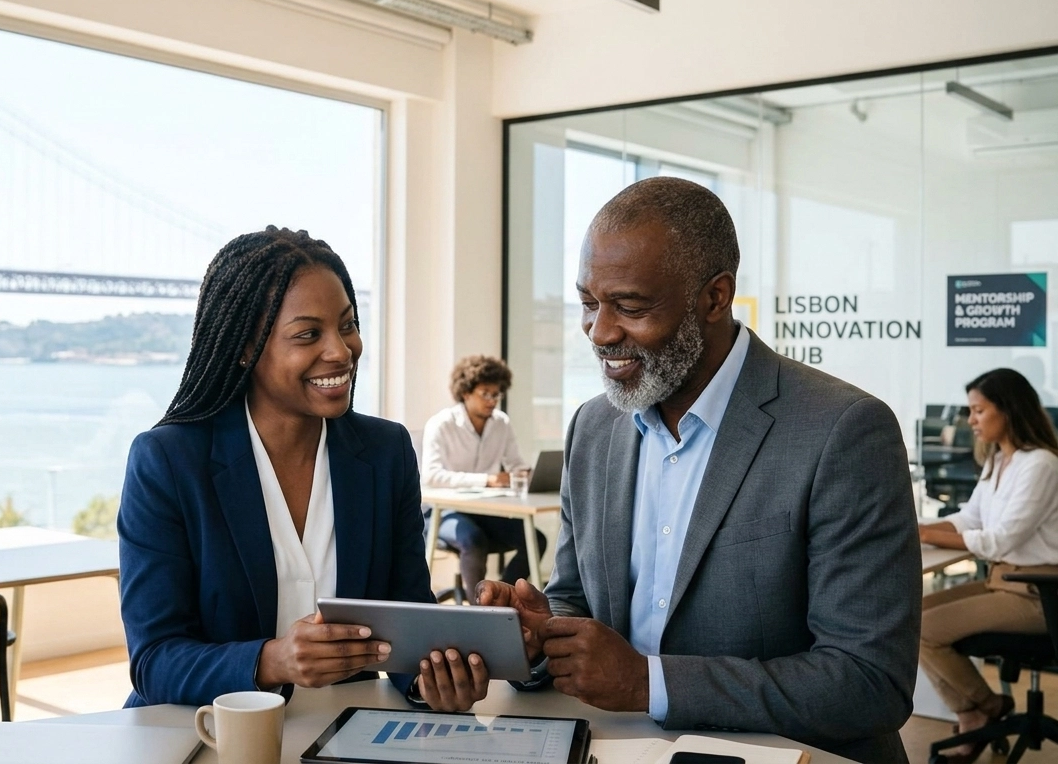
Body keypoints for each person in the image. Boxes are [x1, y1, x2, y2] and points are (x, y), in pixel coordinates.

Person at [478, 177, 921, 763]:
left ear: (715, 298)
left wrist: (647, 682)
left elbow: (869, 681)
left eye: (631, 307)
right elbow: (575, 602)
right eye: (589, 303)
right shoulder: (594, 428)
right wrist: (537, 639)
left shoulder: (842, 430)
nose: (601, 332)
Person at [118, 226, 487, 712]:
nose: (341, 350)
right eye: (308, 334)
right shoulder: (167, 461)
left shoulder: (385, 452)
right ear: (246, 347)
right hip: (201, 732)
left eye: (348, 325)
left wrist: (430, 681)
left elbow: (407, 620)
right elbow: (155, 660)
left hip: (344, 728)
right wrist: (273, 662)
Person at [918, 368, 1058, 763]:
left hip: (1037, 593)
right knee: (912, 616)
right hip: (1004, 581)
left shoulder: (1041, 465)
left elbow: (1000, 539)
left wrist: (926, 536)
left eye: (979, 411)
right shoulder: (1000, 461)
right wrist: (917, 527)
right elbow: (969, 519)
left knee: (923, 629)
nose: (971, 420)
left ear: (1008, 410)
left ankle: (982, 709)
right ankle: (977, 710)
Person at [421, 355, 547, 600]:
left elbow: (515, 465)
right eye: (485, 394)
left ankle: (500, 596)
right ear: (466, 392)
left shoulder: (501, 423)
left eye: (496, 395)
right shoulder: (441, 424)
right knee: (473, 540)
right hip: (442, 513)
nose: (492, 401)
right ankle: (479, 612)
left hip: (486, 511)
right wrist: (486, 480)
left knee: (535, 539)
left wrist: (527, 473)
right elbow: (432, 476)